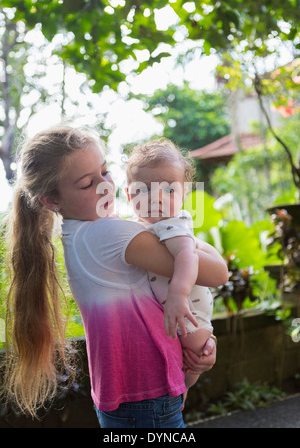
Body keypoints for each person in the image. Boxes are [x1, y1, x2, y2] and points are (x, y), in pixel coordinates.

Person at [2, 126, 228, 428]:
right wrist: (183, 232)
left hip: (129, 396)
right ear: (51, 201)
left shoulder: (83, 233)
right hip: (146, 396)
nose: (104, 185)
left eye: (105, 172)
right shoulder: (108, 234)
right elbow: (217, 272)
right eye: (87, 184)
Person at [125, 138, 215, 391]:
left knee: (195, 350)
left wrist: (179, 294)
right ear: (127, 193)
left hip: (189, 309)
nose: (156, 198)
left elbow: (188, 255)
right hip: (171, 308)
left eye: (169, 190)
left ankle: (184, 390)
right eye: (143, 190)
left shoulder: (172, 223)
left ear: (184, 194)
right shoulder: (139, 226)